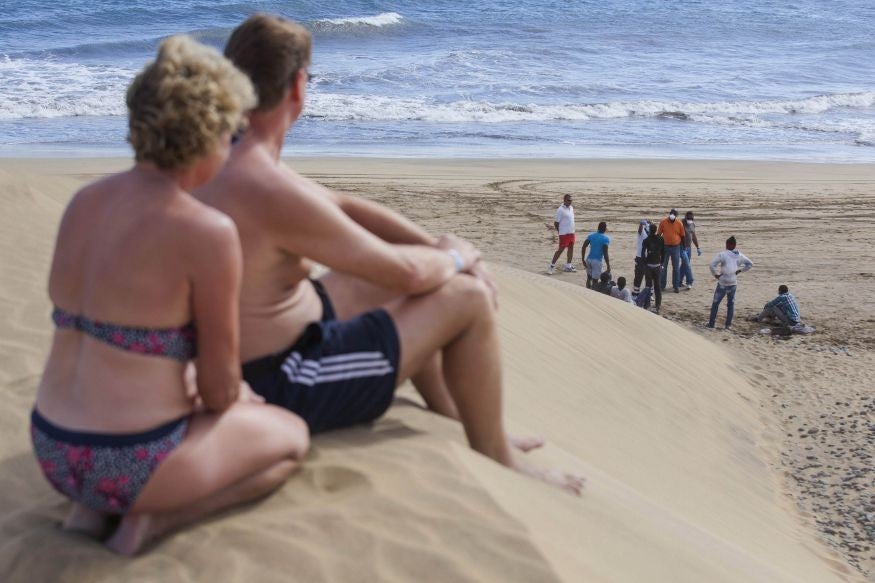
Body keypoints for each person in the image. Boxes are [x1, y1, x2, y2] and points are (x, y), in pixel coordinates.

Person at [197, 15, 583, 494]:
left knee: (411, 280)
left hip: (252, 352)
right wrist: (461, 258)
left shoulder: (228, 153)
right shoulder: (263, 184)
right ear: (298, 87)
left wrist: (432, 245)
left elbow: (343, 206)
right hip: (285, 382)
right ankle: (496, 454)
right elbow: (406, 275)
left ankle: (459, 415)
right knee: (466, 299)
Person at [30, 36, 309, 556]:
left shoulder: (83, 203)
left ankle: (91, 512)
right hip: (128, 462)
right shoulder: (206, 231)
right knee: (289, 440)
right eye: (229, 133)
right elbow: (221, 389)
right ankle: (153, 522)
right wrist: (233, 400)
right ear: (208, 134)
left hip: (51, 448)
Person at [707, 236, 753, 329]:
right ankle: (728, 325)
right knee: (730, 304)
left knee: (716, 303)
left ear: (728, 244)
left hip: (723, 282)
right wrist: (740, 271)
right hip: (733, 282)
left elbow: (712, 264)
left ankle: (711, 324)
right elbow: (750, 264)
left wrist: (715, 274)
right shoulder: (740, 255)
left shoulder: (723, 254)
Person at [657, 208, 685, 293]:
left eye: (674, 214)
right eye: (671, 213)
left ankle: (675, 286)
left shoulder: (679, 223)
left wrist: (683, 247)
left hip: (676, 247)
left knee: (676, 267)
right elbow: (659, 234)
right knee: (663, 267)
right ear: (670, 214)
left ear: (676, 216)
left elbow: (682, 236)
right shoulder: (663, 222)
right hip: (665, 247)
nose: (672, 215)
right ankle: (662, 285)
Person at [548, 194, 576, 274]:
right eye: (568, 200)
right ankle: (551, 266)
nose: (570, 202)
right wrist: (560, 232)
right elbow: (556, 223)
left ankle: (568, 265)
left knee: (571, 248)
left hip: (571, 232)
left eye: (571, 200)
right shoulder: (560, 210)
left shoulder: (571, 208)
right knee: (560, 250)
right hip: (564, 234)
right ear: (564, 200)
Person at [640, 224, 664, 313]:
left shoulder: (646, 240)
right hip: (657, 265)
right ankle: (658, 305)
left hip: (649, 266)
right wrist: (662, 262)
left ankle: (647, 305)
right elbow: (663, 251)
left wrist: (645, 262)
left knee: (648, 286)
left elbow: (642, 253)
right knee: (657, 287)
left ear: (650, 230)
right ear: (656, 230)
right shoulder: (661, 239)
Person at [581, 221, 611, 289]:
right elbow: (605, 253)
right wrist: (608, 265)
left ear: (598, 228)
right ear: (605, 229)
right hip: (597, 261)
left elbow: (583, 246)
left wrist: (583, 259)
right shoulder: (605, 239)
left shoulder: (591, 236)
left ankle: (587, 291)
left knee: (589, 278)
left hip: (589, 259)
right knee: (595, 281)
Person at [679, 211, 701, 289]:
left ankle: (679, 281)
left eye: (691, 219)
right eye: (688, 218)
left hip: (689, 247)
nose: (690, 220)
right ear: (685, 217)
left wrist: (698, 247)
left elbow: (693, 236)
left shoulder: (692, 224)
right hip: (681, 247)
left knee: (684, 265)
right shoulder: (680, 223)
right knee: (687, 264)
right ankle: (689, 282)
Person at [632, 219, 650, 296]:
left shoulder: (651, 234)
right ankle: (636, 293)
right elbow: (639, 230)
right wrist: (641, 224)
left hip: (648, 258)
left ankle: (648, 294)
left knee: (648, 276)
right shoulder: (642, 232)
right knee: (638, 276)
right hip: (640, 257)